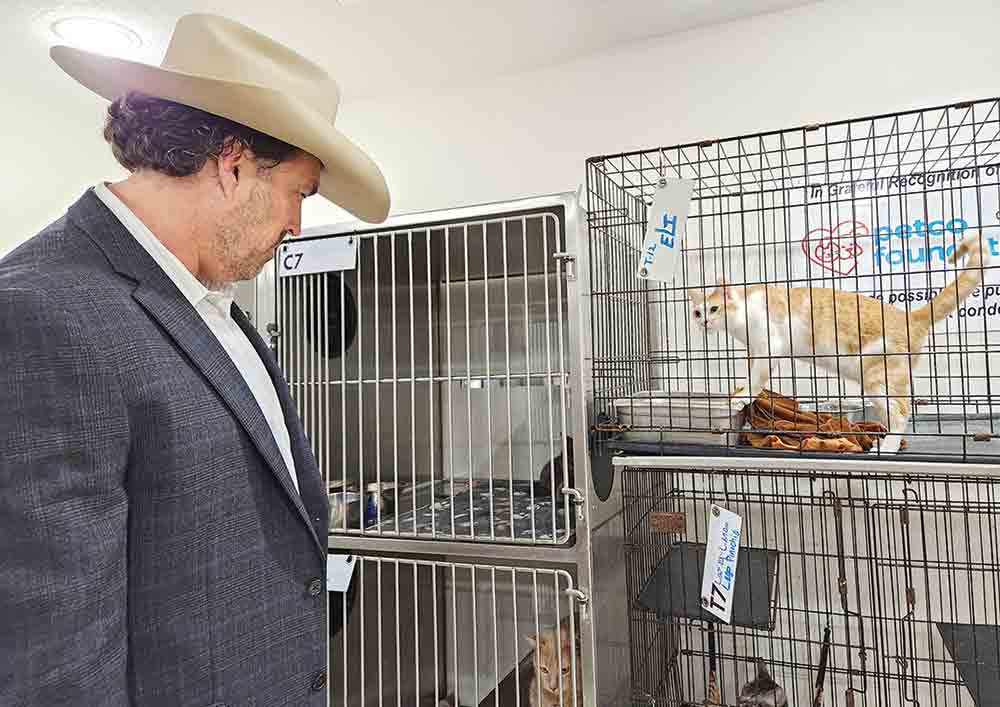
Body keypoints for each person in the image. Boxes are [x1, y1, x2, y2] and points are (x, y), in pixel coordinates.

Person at [0, 13, 388, 706]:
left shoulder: (211, 302)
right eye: (298, 193)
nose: (297, 225)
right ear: (233, 164)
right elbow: (53, 656)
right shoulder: (40, 310)